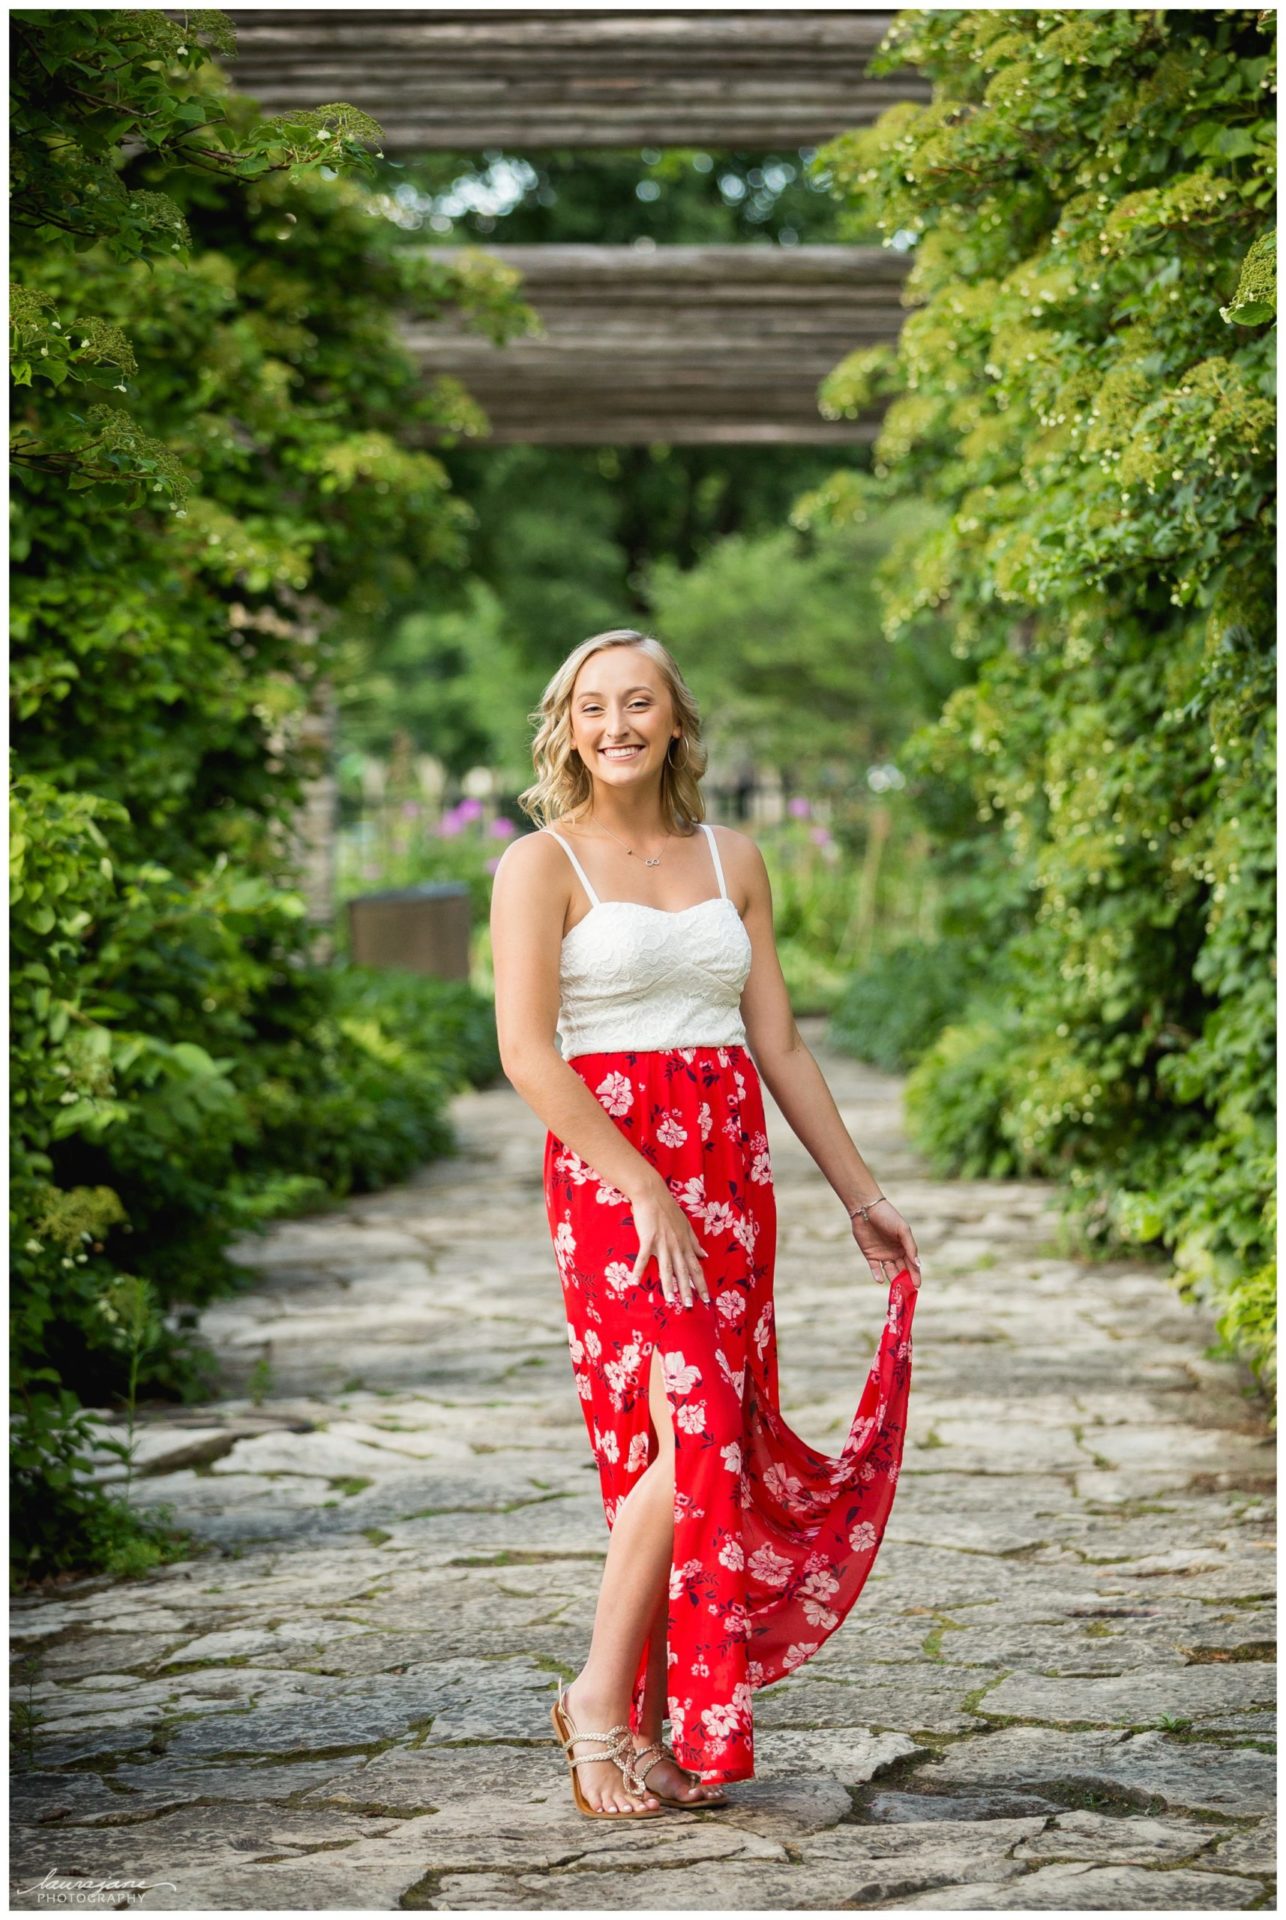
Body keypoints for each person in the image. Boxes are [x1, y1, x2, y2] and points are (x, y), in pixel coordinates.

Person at [490, 628, 920, 1819]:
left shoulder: (733, 856)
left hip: (729, 1172)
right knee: (687, 1441)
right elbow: (527, 1052)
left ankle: (650, 1731)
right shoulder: (538, 865)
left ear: (677, 720)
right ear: (566, 726)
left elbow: (775, 1039)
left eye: (638, 703)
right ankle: (594, 1706)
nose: (614, 724)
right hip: (616, 1174)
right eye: (591, 706)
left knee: (696, 1447)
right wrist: (637, 1186)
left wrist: (860, 1194)